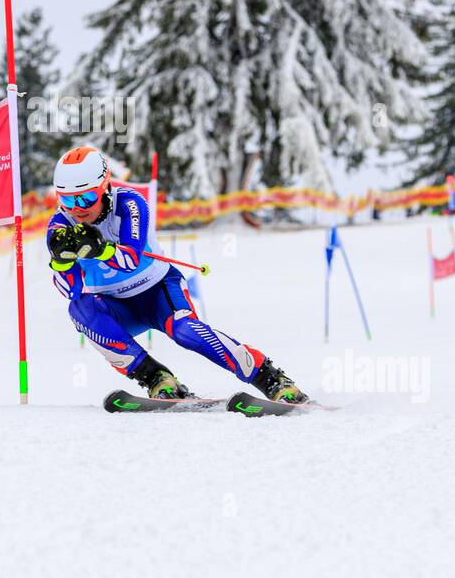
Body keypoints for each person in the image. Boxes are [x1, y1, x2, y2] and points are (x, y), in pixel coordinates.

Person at [46, 145, 307, 403]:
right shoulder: (60, 225)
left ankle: (272, 380)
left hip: (159, 291)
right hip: (117, 305)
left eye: (85, 198)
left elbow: (130, 260)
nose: (77, 208)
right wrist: (60, 261)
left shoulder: (130, 204)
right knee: (79, 311)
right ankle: (158, 379)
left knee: (185, 331)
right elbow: (71, 290)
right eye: (67, 199)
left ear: (104, 188)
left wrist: (101, 249)